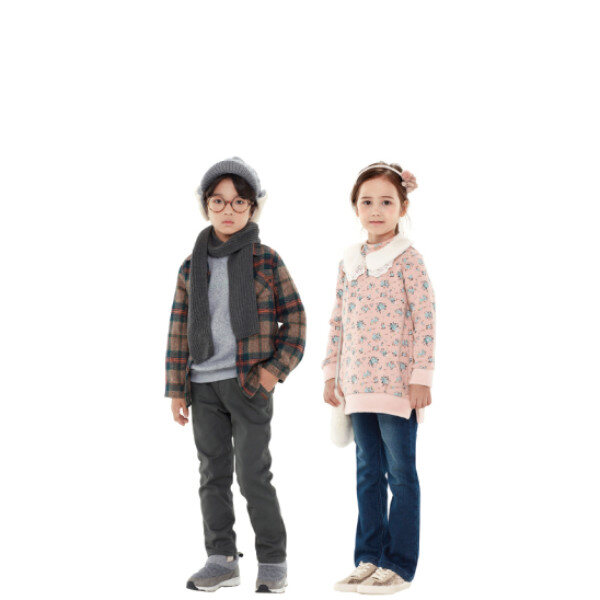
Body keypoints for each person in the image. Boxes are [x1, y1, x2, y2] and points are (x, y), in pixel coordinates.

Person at [165, 157, 306, 593]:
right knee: (212, 475)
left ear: (253, 208)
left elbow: (296, 321)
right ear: (206, 205)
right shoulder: (191, 266)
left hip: (248, 383)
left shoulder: (267, 260)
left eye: (239, 202)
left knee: (252, 474)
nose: (228, 210)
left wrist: (272, 373)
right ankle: (221, 559)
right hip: (202, 384)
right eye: (219, 201)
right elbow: (178, 328)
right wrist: (177, 389)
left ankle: (273, 560)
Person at [322, 162, 436, 594]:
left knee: (401, 475)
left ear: (402, 207)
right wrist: (331, 373)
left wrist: (422, 375)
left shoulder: (408, 259)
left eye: (386, 202)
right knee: (368, 473)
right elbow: (338, 320)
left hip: (396, 387)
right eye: (367, 201)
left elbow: (425, 318)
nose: (376, 210)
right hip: (356, 387)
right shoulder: (349, 262)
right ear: (355, 206)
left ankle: (399, 564)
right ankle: (368, 558)